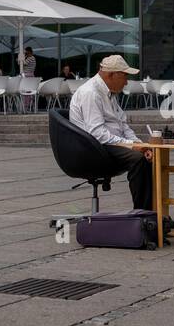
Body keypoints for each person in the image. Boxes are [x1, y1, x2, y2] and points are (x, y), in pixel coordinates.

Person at [68, 54, 162, 213]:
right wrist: (133, 147)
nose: (126, 82)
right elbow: (97, 133)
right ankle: (143, 216)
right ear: (111, 75)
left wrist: (140, 144)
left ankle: (156, 214)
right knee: (138, 160)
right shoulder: (91, 93)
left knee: (152, 157)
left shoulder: (109, 93)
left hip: (107, 145)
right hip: (92, 149)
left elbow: (122, 125)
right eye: (124, 76)